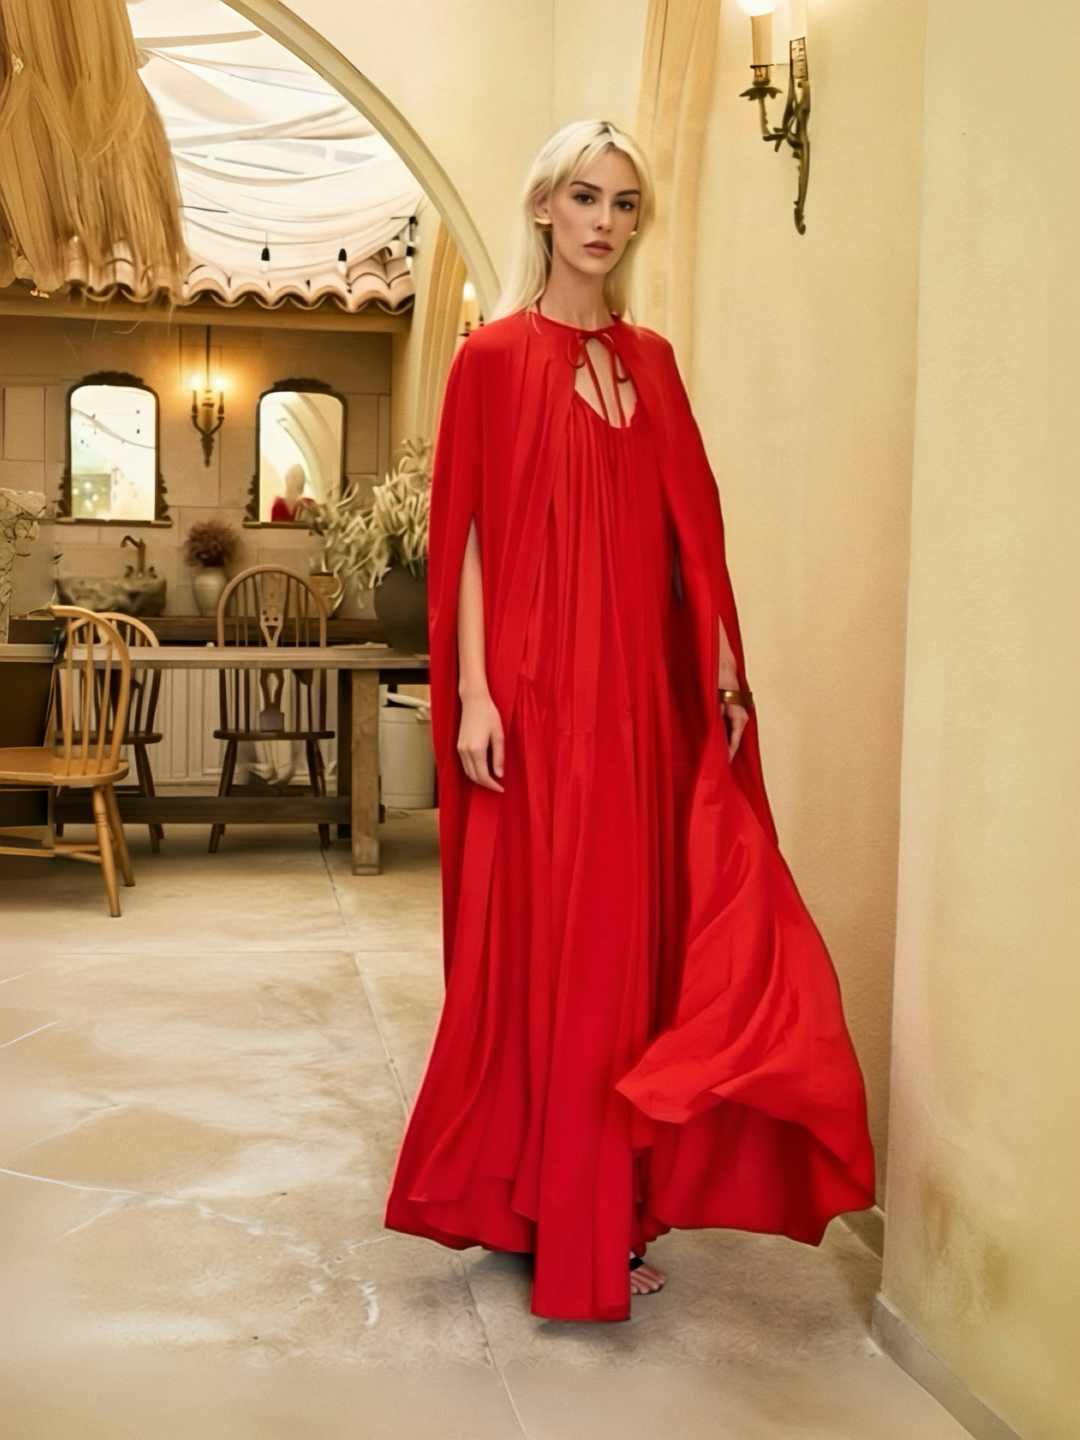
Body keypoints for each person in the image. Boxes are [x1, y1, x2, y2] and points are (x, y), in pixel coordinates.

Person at [385, 120, 875, 1322]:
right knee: (556, 950)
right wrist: (482, 695)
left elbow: (689, 535)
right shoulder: (491, 358)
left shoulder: (652, 361)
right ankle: (560, 1213)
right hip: (542, 707)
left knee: (640, 948)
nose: (606, 221)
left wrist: (718, 676)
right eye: (585, 197)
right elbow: (473, 545)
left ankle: (612, 1201)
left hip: (645, 705)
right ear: (544, 207)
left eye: (626, 205)